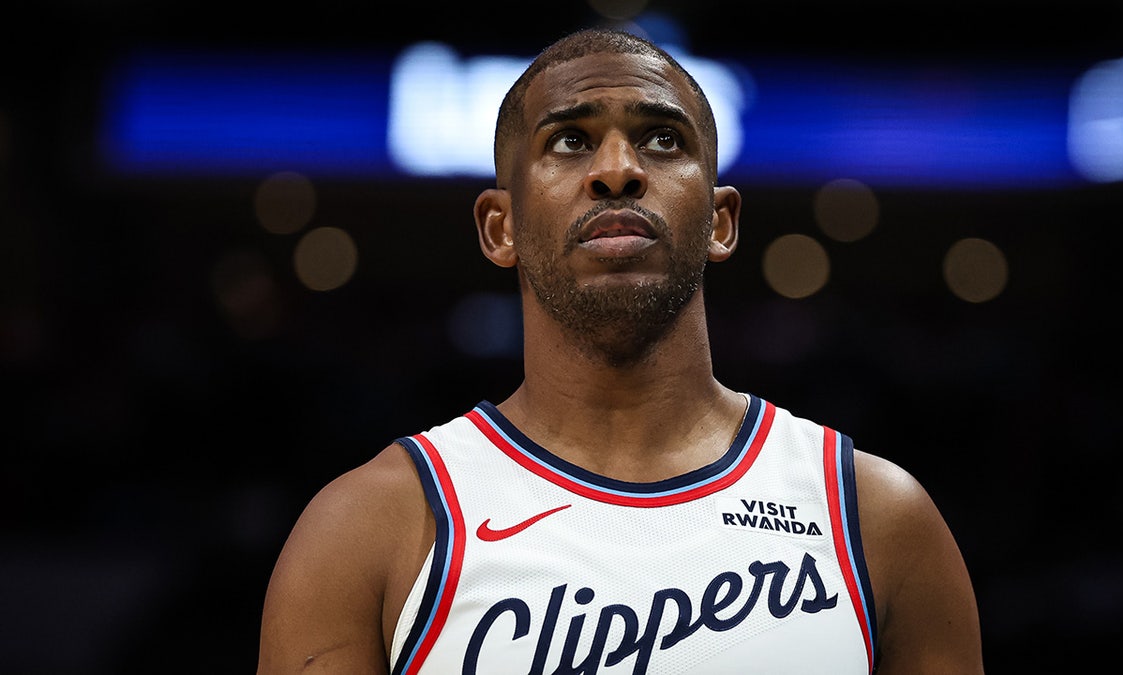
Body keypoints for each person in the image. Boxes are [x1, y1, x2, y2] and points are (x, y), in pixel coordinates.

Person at [256, 27, 984, 674]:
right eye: (568, 139)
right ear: (498, 227)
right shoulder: (364, 529)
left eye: (663, 139)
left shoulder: (877, 516)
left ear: (722, 221)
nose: (617, 168)